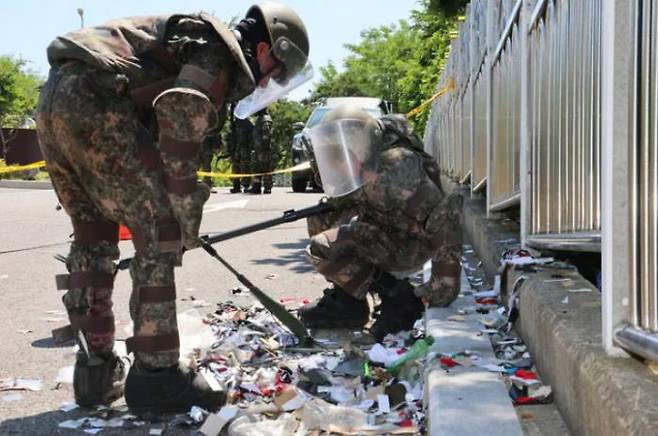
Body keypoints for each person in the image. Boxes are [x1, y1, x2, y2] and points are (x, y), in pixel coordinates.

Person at [36, 2, 310, 413]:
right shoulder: (218, 50)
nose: (271, 80)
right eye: (278, 69)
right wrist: (182, 213)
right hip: (97, 102)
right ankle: (158, 379)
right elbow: (181, 110)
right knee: (160, 234)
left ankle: (95, 373)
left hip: (56, 100)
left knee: (92, 238)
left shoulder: (189, 39)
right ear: (265, 49)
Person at [297, 105, 463, 340]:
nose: (334, 164)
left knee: (326, 244)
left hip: (412, 244)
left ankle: (399, 298)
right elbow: (343, 199)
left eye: (339, 156)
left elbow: (445, 216)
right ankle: (349, 303)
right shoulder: (363, 168)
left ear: (359, 150)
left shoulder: (395, 173)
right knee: (320, 219)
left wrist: (442, 285)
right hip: (388, 229)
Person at [248, 108, 275, 194]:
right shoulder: (261, 118)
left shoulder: (264, 119)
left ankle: (267, 187)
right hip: (258, 148)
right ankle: (256, 187)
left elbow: (266, 135)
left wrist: (263, 150)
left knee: (265, 167)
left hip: (263, 149)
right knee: (256, 168)